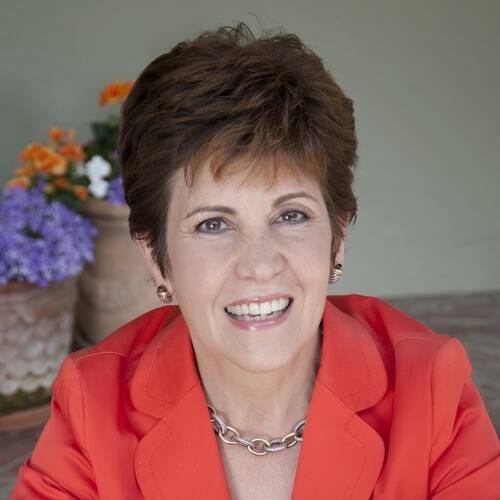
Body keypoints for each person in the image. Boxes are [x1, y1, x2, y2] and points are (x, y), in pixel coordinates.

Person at [12, 22, 500, 500]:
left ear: (338, 237)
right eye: (213, 224)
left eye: (291, 215)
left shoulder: (429, 389)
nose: (260, 264)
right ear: (157, 258)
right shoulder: (94, 404)